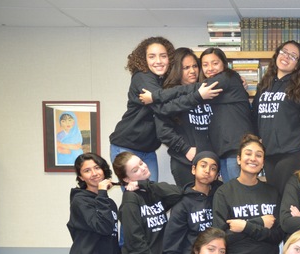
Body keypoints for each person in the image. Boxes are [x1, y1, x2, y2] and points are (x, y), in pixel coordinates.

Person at [109, 36, 220, 181]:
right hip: (126, 145)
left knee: (152, 195)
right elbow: (163, 108)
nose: (158, 61)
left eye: (163, 56)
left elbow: (165, 95)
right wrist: (198, 94)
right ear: (143, 59)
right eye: (152, 56)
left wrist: (232, 81)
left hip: (148, 149)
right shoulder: (142, 77)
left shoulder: (162, 81)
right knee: (136, 196)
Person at [211, 134, 284, 254]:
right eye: (248, 153)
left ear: (263, 162)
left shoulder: (271, 192)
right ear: (238, 159)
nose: (253, 158)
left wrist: (244, 227)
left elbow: (277, 235)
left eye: (258, 155)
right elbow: (221, 239)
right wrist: (257, 223)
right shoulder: (224, 193)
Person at [113, 152, 182, 254]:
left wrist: (144, 184)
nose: (143, 168)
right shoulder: (131, 200)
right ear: (126, 179)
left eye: (141, 163)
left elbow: (178, 193)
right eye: (135, 170)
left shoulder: (153, 192)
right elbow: (136, 243)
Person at [253, 40, 300, 193]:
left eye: (293, 56)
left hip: (291, 152)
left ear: (297, 65)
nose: (286, 57)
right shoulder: (264, 85)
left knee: (284, 195)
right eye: (284, 52)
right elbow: (255, 115)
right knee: (273, 195)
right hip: (268, 153)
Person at [155, 47, 212, 188]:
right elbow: (163, 131)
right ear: (177, 71)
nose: (192, 71)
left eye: (194, 66)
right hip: (185, 161)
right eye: (186, 68)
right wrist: (185, 149)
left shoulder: (207, 91)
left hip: (211, 162)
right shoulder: (169, 96)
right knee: (190, 205)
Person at [163, 151, 222, 254]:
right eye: (203, 165)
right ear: (194, 169)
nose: (207, 171)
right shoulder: (183, 202)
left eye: (213, 168)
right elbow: (171, 244)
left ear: (217, 175)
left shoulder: (220, 197)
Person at [200, 47, 255, 182]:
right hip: (223, 150)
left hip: (235, 148)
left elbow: (192, 90)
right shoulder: (213, 85)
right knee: (229, 192)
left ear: (224, 64)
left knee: (237, 194)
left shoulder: (227, 78)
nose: (210, 68)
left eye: (215, 63)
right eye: (205, 65)